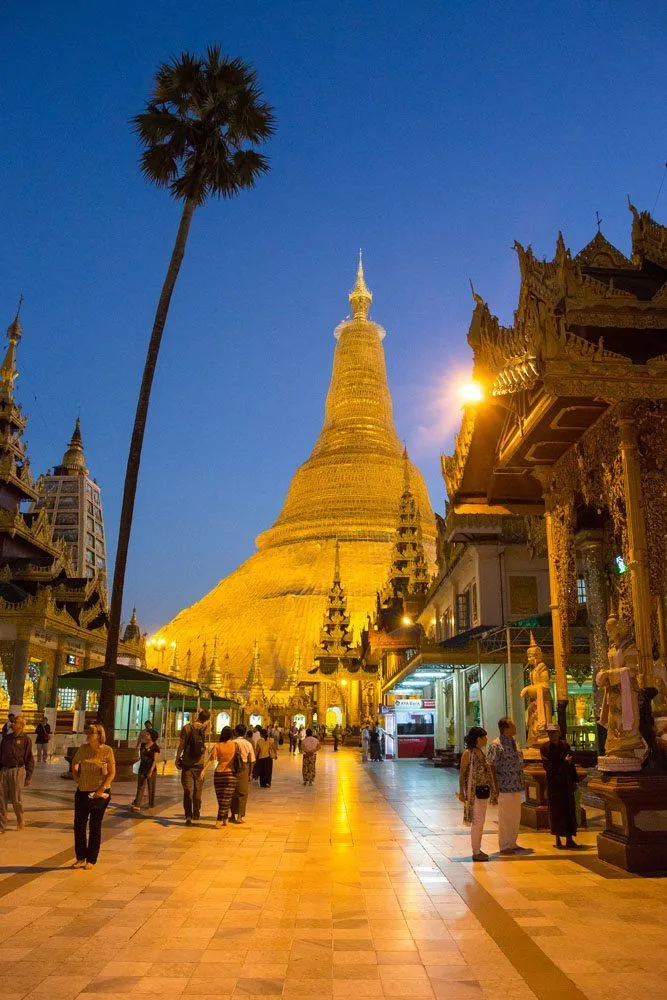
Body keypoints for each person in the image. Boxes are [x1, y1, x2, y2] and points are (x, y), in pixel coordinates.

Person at [71, 723, 115, 867]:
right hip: (83, 791)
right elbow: (75, 763)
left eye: (91, 733)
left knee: (95, 825)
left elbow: (112, 772)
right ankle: (80, 857)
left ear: (99, 735)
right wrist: (77, 776)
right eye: (87, 732)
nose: (88, 735)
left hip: (99, 793)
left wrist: (102, 789)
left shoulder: (107, 750)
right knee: (79, 825)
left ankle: (91, 859)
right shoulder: (83, 749)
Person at [487, 718, 527, 855]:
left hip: (516, 784)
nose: (515, 728)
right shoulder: (496, 745)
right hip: (504, 786)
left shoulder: (513, 742)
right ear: (505, 728)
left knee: (515, 815)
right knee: (505, 816)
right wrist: (494, 786)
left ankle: (512, 842)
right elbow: (491, 766)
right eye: (512, 725)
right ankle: (504, 845)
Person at [459, 726, 498, 862]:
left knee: (480, 821)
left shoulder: (481, 752)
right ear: (478, 739)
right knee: (477, 821)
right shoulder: (467, 754)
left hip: (483, 791)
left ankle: (478, 849)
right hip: (473, 792)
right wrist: (462, 792)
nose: (486, 739)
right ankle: (476, 851)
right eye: (484, 737)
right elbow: (462, 774)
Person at [540, 723, 580, 850]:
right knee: (555, 810)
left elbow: (571, 764)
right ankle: (557, 838)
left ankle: (569, 838)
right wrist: (563, 764)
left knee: (569, 810)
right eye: (549, 733)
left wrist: (574, 780)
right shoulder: (545, 747)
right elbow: (548, 766)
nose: (551, 735)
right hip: (554, 783)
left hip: (566, 782)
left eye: (553, 732)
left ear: (558, 733)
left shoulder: (565, 746)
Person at [175, 709, 210, 825]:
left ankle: (188, 815)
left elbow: (181, 744)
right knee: (198, 790)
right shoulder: (205, 728)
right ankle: (196, 813)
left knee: (187, 790)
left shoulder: (187, 727)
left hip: (187, 763)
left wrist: (177, 758)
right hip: (199, 763)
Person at [0, 714, 34, 833]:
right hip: (4, 770)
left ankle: (20, 820)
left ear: (22, 725)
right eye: (14, 722)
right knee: (1, 798)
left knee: (16, 798)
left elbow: (29, 758)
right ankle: (2, 826)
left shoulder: (26, 740)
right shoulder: (6, 738)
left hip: (17, 770)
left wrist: (28, 776)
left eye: (17, 722)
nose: (14, 724)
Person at [207, 726, 239, 828]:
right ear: (231, 735)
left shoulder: (217, 746)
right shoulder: (235, 745)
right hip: (231, 774)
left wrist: (204, 770)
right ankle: (218, 820)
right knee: (226, 798)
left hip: (219, 774)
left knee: (221, 799)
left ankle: (225, 818)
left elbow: (211, 759)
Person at [229, 723, 256, 824]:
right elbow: (252, 759)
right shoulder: (247, 743)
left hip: (232, 768)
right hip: (244, 768)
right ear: (245, 732)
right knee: (242, 793)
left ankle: (232, 815)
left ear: (235, 732)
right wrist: (250, 773)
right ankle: (239, 816)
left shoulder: (232, 742)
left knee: (232, 792)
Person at [132, 728, 160, 813]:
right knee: (140, 787)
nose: (146, 735)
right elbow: (141, 756)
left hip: (151, 770)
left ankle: (151, 804)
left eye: (148, 734)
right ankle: (137, 804)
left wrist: (151, 771)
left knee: (151, 788)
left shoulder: (155, 747)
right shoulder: (143, 745)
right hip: (142, 769)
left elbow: (155, 760)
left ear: (152, 736)